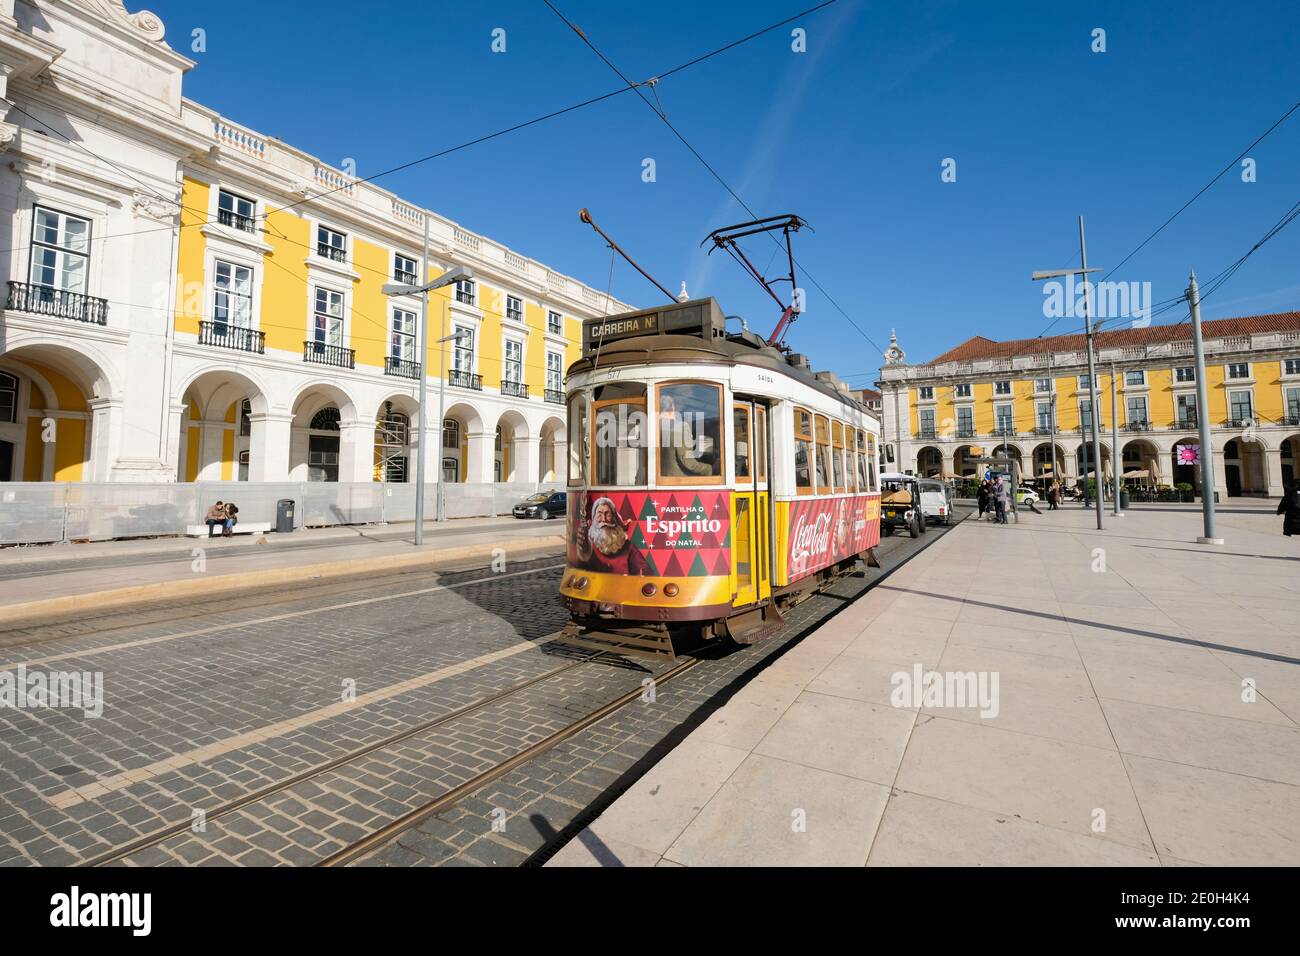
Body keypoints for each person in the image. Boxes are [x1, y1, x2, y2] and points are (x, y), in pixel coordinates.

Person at [657, 393, 713, 478]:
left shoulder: (650, 428)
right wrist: (709, 469)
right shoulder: (680, 427)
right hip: (677, 484)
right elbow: (688, 463)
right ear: (672, 408)